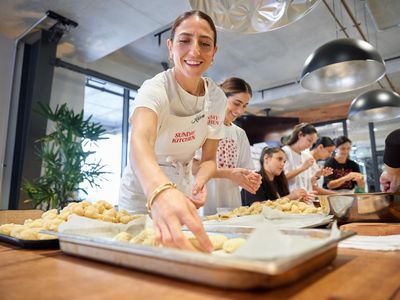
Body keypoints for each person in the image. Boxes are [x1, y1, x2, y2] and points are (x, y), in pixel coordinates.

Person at [119, 10, 226, 252]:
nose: (195, 51)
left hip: (181, 186)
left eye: (205, 43)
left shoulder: (217, 98)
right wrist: (158, 191)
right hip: (143, 188)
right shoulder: (155, 88)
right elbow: (141, 138)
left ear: (214, 52)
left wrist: (200, 182)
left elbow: (209, 159)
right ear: (170, 46)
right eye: (184, 40)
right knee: (135, 254)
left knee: (178, 254)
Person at [193, 77, 261, 215]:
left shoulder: (239, 133)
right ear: (221, 97)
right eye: (237, 103)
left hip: (231, 204)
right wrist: (229, 174)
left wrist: (250, 179)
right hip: (202, 201)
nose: (240, 111)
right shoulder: (201, 124)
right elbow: (192, 167)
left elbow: (244, 169)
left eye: (244, 106)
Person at [241, 147, 315, 206]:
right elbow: (256, 207)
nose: (283, 164)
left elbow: (282, 205)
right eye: (279, 159)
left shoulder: (280, 181)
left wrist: (299, 200)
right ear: (266, 158)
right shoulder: (254, 179)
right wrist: (290, 197)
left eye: (284, 161)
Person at [282, 123, 318, 192]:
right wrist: (302, 168)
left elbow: (306, 181)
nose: (310, 146)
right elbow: (282, 178)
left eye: (312, 143)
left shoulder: (306, 155)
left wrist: (318, 175)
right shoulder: (285, 151)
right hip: (291, 199)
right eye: (309, 140)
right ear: (300, 135)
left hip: (307, 198)